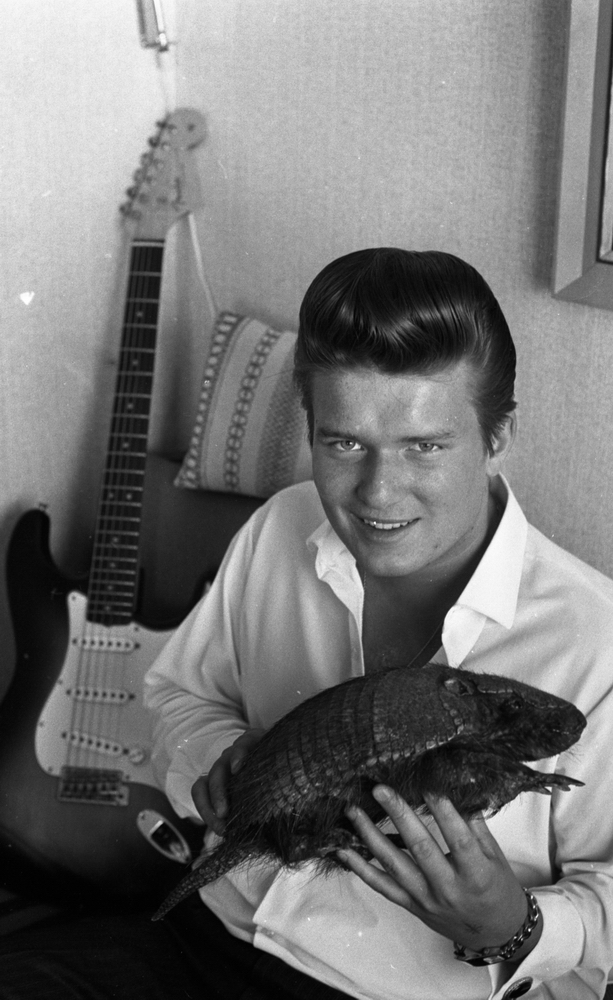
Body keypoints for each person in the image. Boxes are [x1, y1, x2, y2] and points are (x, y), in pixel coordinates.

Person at [1, 248, 612, 1000]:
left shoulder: (595, 643)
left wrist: (516, 926)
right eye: (344, 443)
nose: (378, 493)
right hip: (205, 936)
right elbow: (177, 695)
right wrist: (214, 761)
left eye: (424, 447)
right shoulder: (278, 527)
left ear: (497, 436)